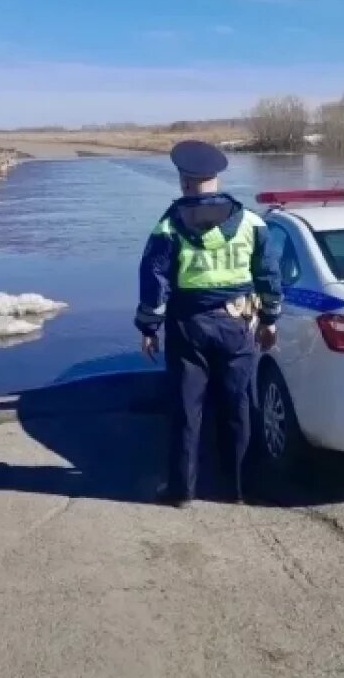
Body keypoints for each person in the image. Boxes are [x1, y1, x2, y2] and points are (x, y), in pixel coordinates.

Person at [135, 140, 282, 508]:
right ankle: (239, 489)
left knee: (187, 409)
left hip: (189, 327)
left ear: (184, 182)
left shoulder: (169, 226)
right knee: (239, 406)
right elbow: (268, 274)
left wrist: (149, 328)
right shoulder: (251, 222)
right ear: (216, 178)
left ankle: (181, 490)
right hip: (238, 324)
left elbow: (155, 280)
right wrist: (269, 320)